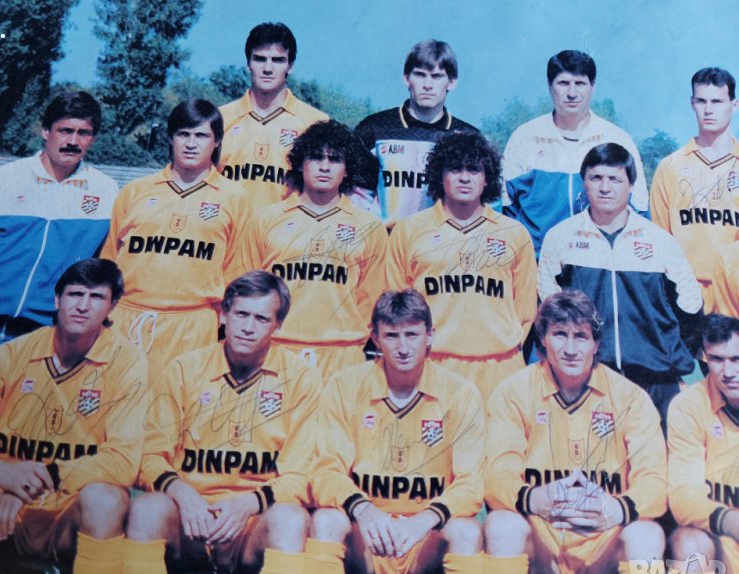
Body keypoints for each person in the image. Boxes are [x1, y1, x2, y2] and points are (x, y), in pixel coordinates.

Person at [0, 258, 149, 574]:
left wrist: (38, 480)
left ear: (112, 307)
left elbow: (123, 460)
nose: (82, 306)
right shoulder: (14, 353)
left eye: (96, 297)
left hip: (65, 511)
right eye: (75, 294)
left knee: (107, 499)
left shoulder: (126, 362)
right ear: (56, 299)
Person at [121, 270, 322, 574]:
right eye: (241, 314)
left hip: (252, 523)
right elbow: (150, 456)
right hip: (190, 517)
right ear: (224, 314)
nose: (248, 327)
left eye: (261, 318)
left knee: (291, 520)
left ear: (278, 325)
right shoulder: (185, 368)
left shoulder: (301, 379)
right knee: (148, 510)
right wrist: (184, 496)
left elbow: (301, 475)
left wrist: (249, 504)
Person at [0, 91, 119, 423]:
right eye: (65, 131)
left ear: (93, 138)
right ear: (46, 131)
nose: (73, 141)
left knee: (1, 441)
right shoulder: (1, 180)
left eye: (83, 133)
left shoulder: (106, 193)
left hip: (32, 339)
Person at [484, 290, 667, 574]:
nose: (570, 349)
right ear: (543, 338)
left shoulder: (631, 398)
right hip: (543, 542)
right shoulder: (513, 392)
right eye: (559, 334)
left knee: (649, 535)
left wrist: (615, 509)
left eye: (581, 336)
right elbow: (496, 474)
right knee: (501, 525)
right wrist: (533, 498)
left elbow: (656, 482)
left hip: (602, 544)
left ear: (596, 343)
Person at [304, 289, 485, 574]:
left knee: (467, 532)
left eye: (412, 335)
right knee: (325, 521)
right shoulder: (345, 385)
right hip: (366, 536)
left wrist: (423, 520)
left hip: (424, 538)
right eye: (391, 335)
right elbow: (325, 470)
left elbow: (470, 484)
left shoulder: (461, 393)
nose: (403, 348)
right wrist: (365, 510)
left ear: (430, 336)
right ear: (375, 338)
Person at [539, 143, 703, 428]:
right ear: (584, 182)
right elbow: (548, 312)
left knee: (657, 456)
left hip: (655, 380)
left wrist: (668, 360)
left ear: (631, 185)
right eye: (596, 178)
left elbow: (690, 308)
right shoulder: (560, 238)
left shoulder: (660, 242)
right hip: (588, 379)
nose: (605, 188)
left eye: (615, 179)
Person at [101, 99, 248, 380]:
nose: (191, 144)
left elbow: (237, 272)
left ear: (217, 141)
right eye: (183, 134)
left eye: (201, 135)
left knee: (176, 405)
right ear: (170, 138)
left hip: (193, 326)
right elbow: (108, 263)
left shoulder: (234, 197)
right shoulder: (135, 192)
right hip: (126, 319)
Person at [386, 131, 536, 400]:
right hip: (432, 366)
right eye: (455, 169)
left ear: (487, 178)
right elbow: (396, 307)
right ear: (439, 175)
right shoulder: (409, 231)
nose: (464, 178)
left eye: (474, 170)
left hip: (500, 368)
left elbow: (525, 312)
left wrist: (504, 348)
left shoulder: (514, 233)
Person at [240, 120, 387, 378]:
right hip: (275, 351)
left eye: (335, 159)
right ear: (300, 163)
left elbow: (371, 301)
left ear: (347, 169)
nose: (324, 166)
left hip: (343, 357)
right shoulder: (265, 220)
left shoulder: (370, 227)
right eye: (316, 157)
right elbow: (247, 291)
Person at [502, 50, 649, 258]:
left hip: (600, 264)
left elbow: (639, 208)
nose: (572, 93)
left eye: (580, 83)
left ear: (592, 87)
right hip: (538, 263)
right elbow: (508, 212)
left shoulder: (617, 138)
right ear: (549, 85)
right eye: (563, 83)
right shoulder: (524, 138)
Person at [354, 39, 478, 226]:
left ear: (452, 82)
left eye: (437, 76)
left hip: (441, 241)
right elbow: (355, 198)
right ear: (406, 78)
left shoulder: (468, 137)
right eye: (420, 75)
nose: (427, 85)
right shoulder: (374, 129)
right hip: (383, 240)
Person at [651, 67, 739, 312]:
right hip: (686, 295)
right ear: (692, 103)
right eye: (701, 101)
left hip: (734, 293)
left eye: (717, 101)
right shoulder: (670, 167)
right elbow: (660, 239)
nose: (708, 110)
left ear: (734, 104)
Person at [667, 313, 739, 574]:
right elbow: (683, 496)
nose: (728, 371)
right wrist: (730, 520)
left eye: (737, 359)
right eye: (717, 359)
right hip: (722, 539)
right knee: (689, 543)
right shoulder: (688, 405)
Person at [219, 22, 328, 208]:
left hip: (287, 225)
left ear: (290, 65)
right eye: (259, 59)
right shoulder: (220, 119)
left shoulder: (316, 123)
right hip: (228, 225)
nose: (268, 68)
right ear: (248, 63)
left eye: (277, 60)